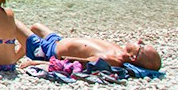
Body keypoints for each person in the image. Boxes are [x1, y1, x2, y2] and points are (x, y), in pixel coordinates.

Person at [24, 24, 161, 70]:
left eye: (141, 46)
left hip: (49, 51)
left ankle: (9, 59)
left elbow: (72, 62)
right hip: (59, 41)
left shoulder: (111, 59)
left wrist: (38, 63)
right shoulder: (119, 50)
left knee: (13, 21)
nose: (140, 40)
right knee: (36, 26)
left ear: (133, 57)